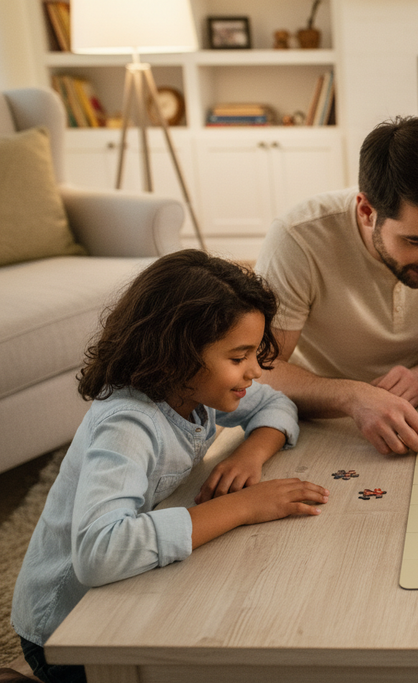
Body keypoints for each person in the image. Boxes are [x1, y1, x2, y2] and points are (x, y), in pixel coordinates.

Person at [11, 251, 328, 683]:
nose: (255, 370)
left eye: (255, 354)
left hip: (127, 589)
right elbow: (99, 552)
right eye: (239, 358)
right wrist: (244, 507)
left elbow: (276, 402)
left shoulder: (193, 389)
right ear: (176, 355)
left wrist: (250, 453)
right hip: (67, 629)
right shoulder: (127, 423)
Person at [255, 115, 418, 456]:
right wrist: (353, 396)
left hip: (415, 403)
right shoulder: (297, 238)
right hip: (308, 414)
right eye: (416, 241)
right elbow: (258, 370)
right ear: (366, 211)